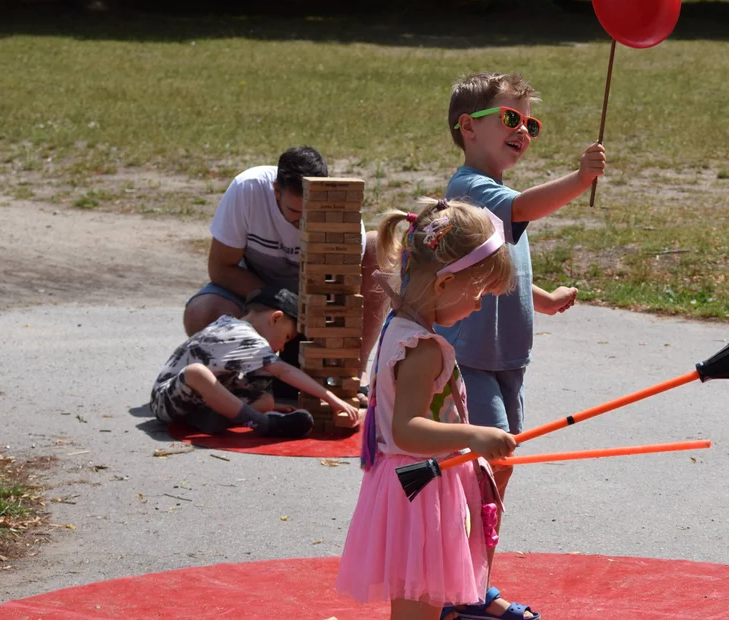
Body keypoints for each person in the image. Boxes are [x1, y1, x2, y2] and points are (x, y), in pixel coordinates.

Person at [434, 71, 605, 619]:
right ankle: (456, 587)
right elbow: (525, 208)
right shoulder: (469, 188)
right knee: (479, 473)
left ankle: (473, 580)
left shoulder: (500, 196)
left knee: (497, 472)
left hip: (508, 360)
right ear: (468, 127)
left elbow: (497, 264)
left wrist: (544, 297)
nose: (523, 131)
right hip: (471, 360)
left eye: (530, 123)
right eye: (510, 118)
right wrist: (580, 179)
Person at [335, 198, 518, 620]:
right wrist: (473, 436)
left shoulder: (399, 327)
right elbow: (407, 430)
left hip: (415, 485)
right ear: (443, 285)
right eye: (478, 294)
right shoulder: (422, 349)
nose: (477, 306)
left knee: (421, 606)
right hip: (420, 491)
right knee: (418, 609)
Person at [182, 145, 387, 399]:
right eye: (293, 212)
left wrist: (312, 325)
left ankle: (355, 370)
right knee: (200, 313)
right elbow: (220, 268)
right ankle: (239, 378)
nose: (300, 222)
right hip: (258, 293)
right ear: (276, 190)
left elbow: (341, 294)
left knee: (378, 246)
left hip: (312, 301)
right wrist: (272, 301)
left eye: (308, 214)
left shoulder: (341, 216)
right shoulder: (248, 189)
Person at [151, 285, 362, 437]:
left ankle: (207, 417)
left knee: (267, 401)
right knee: (196, 372)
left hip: (198, 401)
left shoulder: (247, 339)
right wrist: (333, 399)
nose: (283, 347)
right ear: (276, 318)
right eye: (287, 337)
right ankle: (263, 424)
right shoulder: (239, 332)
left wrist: (272, 404)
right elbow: (283, 371)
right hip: (166, 399)